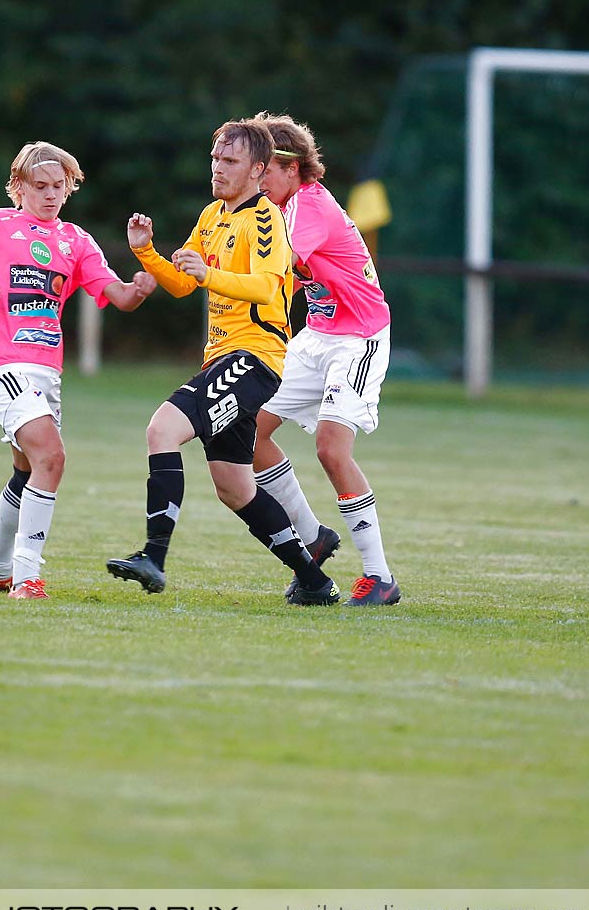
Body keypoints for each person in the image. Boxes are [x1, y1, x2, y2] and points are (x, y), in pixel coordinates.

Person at [105, 118, 341, 605]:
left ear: (258, 170)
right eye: (215, 158)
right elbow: (182, 283)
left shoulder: (265, 219)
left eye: (230, 161)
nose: (218, 168)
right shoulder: (213, 215)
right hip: (224, 358)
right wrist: (146, 252)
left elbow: (265, 285)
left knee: (161, 430)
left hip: (255, 356)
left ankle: (154, 556)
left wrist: (208, 273)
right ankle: (315, 582)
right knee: (235, 488)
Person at [0, 143, 156, 600]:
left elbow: (120, 297)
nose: (51, 194)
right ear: (19, 187)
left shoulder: (76, 240)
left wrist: (141, 285)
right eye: (41, 186)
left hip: (46, 376)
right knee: (51, 457)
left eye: (59, 186)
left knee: (27, 468)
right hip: (1, 366)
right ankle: (27, 577)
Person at [251, 113, 401, 606]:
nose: (258, 178)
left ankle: (379, 577)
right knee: (245, 432)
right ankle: (312, 535)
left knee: (332, 450)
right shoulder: (277, 207)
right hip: (316, 337)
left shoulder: (309, 206)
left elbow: (282, 266)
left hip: (359, 339)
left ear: (293, 168)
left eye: (264, 168)